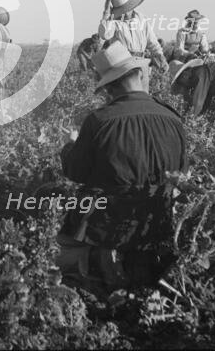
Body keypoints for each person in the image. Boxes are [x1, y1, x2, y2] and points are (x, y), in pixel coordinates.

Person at [56, 42, 187, 295]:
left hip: (108, 223)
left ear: (107, 88)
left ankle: (93, 260)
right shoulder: (173, 119)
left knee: (54, 219)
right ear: (139, 74)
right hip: (158, 222)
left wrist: (69, 147)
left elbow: (76, 173)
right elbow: (181, 175)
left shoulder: (99, 120)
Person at [98, 0, 168, 91]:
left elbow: (152, 41)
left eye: (127, 9)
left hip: (141, 62)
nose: (125, 13)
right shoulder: (114, 22)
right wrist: (106, 11)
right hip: (123, 64)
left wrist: (160, 56)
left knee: (144, 95)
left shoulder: (142, 19)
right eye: (122, 11)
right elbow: (104, 34)